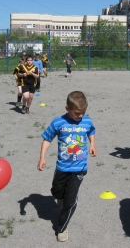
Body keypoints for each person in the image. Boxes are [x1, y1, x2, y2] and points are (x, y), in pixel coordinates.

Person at [37, 91, 97, 242]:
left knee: (70, 202)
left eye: (83, 112)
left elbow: (91, 131)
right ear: (67, 108)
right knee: (56, 191)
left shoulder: (87, 121)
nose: (80, 116)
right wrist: (42, 157)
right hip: (62, 167)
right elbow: (47, 138)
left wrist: (92, 144)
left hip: (79, 168)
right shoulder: (58, 122)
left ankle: (62, 228)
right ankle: (60, 197)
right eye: (77, 113)